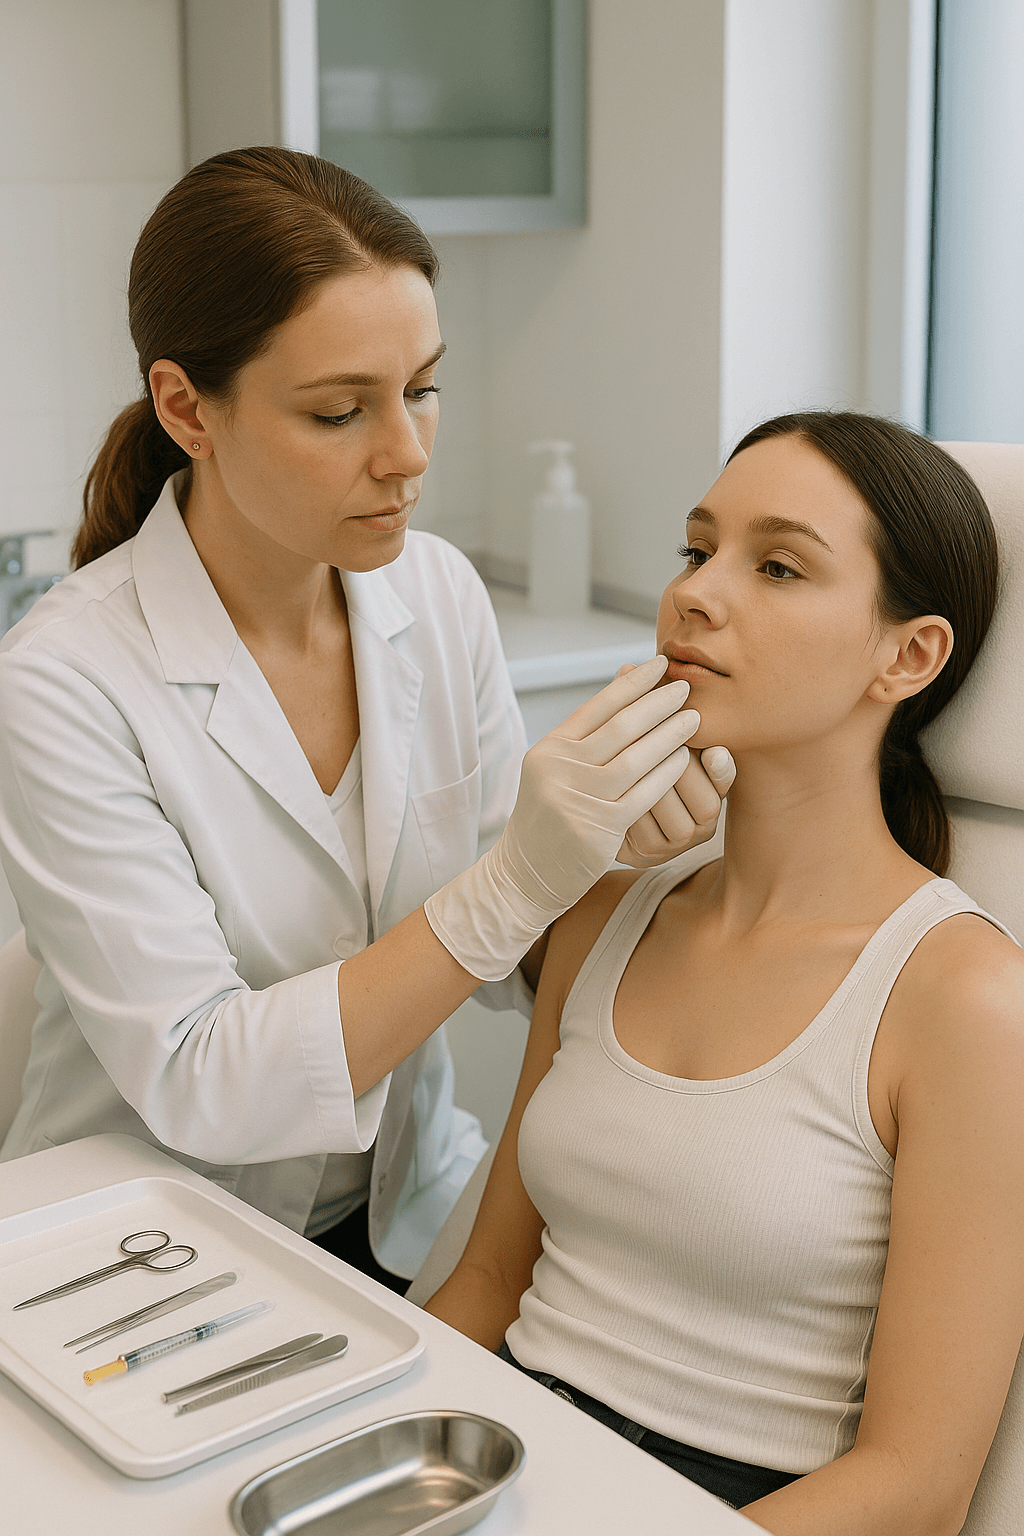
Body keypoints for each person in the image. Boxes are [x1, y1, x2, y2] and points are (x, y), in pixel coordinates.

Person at [0, 147, 735, 1291]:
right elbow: (206, 1077)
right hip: (141, 1248)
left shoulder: (434, 595)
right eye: (340, 411)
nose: (407, 456)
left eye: (423, 388)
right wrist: (518, 883)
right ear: (188, 408)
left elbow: (502, 960)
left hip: (403, 1213)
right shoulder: (67, 680)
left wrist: (611, 861)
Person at [425, 412, 1024, 1530]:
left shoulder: (962, 1001)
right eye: (696, 551)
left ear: (909, 655)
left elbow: (917, 1488)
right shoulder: (605, 907)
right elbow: (482, 1284)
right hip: (497, 1467)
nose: (695, 594)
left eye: (778, 566)